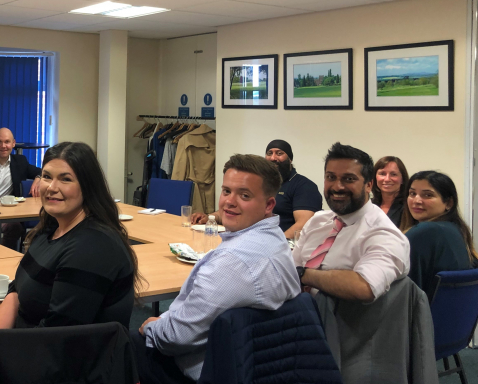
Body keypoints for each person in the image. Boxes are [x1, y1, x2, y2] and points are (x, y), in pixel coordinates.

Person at [132, 154, 300, 384]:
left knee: (121, 344)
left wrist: (152, 328)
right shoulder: (276, 240)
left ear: (269, 205)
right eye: (226, 191)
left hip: (211, 371)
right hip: (256, 363)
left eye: (245, 195)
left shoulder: (232, 262)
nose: (229, 202)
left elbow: (176, 337)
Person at [0, 141, 139, 329]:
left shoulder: (94, 247)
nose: (52, 187)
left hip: (63, 354)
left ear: (88, 186)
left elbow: (57, 337)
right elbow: (16, 290)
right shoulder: (50, 230)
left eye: (65, 179)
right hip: (27, 343)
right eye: (46, 176)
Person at [293, 142, 410, 303]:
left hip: (343, 325)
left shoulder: (384, 234)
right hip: (296, 314)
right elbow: (291, 270)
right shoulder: (317, 221)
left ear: (369, 185)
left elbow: (365, 286)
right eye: (330, 177)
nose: (337, 186)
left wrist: (305, 275)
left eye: (349, 179)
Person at [191, 139, 322, 239]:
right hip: (245, 239)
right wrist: (208, 218)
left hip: (278, 244)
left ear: (290, 159)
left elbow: (304, 223)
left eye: (279, 153)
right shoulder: (260, 183)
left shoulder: (304, 186)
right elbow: (235, 208)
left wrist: (279, 243)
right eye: (269, 153)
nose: (273, 158)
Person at [399, 171, 477, 301]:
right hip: (447, 318)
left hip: (421, 318)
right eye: (412, 193)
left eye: (428, 195)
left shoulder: (425, 232)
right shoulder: (456, 230)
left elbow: (402, 291)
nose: (416, 200)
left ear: (448, 203)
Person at [372, 156, 409, 227]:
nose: (387, 179)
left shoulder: (408, 206)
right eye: (382, 174)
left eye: (393, 174)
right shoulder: (369, 205)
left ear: (402, 179)